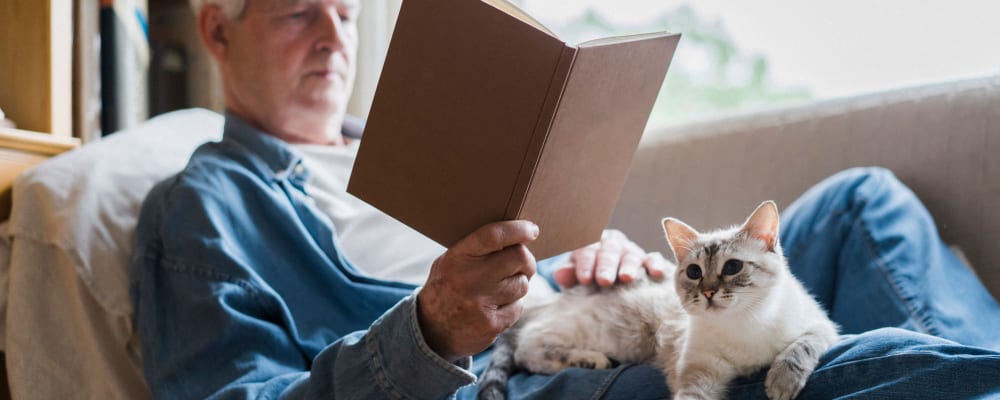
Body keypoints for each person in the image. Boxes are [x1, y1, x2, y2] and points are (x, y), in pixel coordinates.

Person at [130, 0, 1000, 399]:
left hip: (599, 306)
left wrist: (594, 253)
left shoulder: (412, 144)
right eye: (295, 14)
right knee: (747, 377)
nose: (331, 36)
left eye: (346, 15)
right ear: (216, 28)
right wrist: (429, 328)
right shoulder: (201, 211)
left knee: (860, 202)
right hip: (511, 376)